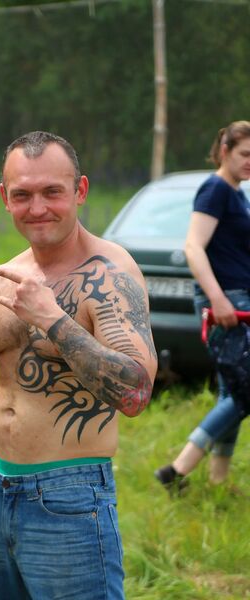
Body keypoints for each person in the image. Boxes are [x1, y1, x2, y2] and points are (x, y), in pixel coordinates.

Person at [0, 131, 157, 600]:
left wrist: (54, 320)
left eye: (51, 192)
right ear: (5, 198)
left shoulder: (110, 274)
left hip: (70, 498)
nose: (37, 207)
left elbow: (136, 393)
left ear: (80, 190)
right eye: (22, 195)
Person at [155, 120, 250, 491]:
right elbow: (193, 246)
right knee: (244, 390)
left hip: (237, 299)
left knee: (232, 392)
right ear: (224, 151)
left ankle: (218, 480)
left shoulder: (236, 193)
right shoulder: (215, 189)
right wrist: (218, 298)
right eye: (244, 154)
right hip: (225, 302)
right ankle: (176, 471)